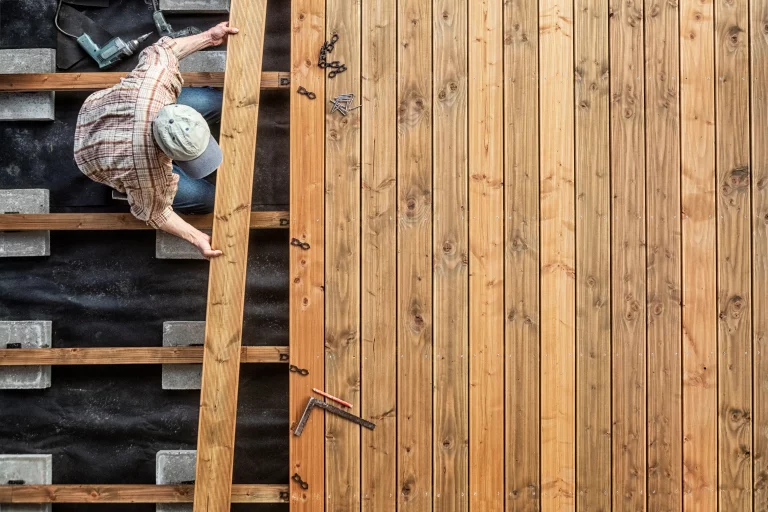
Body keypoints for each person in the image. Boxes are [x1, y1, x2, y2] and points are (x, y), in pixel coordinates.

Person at [73, 22, 239, 259]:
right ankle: (125, 191)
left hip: (101, 109)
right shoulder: (147, 172)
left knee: (215, 102)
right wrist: (196, 238)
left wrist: (209, 37)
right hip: (92, 155)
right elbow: (156, 214)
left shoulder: (155, 83)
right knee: (206, 200)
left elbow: (165, 49)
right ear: (163, 153)